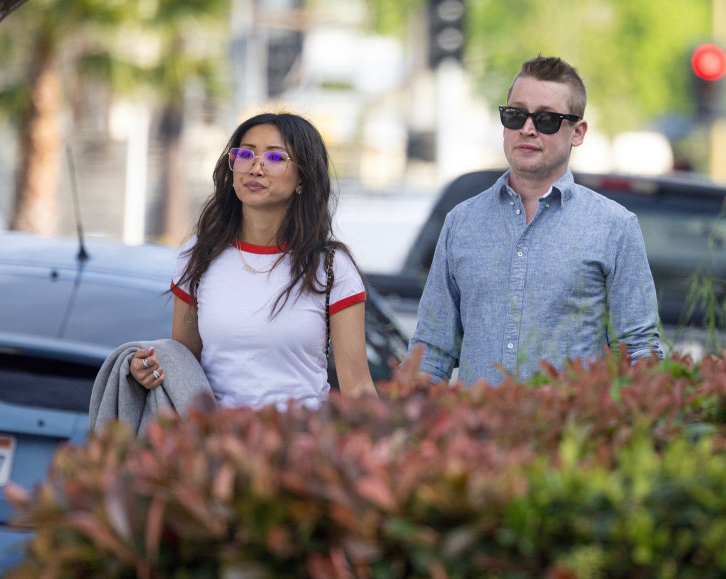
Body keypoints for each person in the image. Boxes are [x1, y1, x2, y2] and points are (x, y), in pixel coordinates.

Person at [409, 55, 663, 385]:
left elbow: (639, 352)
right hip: (476, 433)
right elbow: (432, 350)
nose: (527, 129)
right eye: (516, 115)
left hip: (570, 434)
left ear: (578, 132)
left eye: (546, 120)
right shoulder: (461, 222)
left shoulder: (615, 227)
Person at [129, 112, 377, 408]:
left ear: (303, 177)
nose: (256, 168)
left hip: (302, 445)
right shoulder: (199, 256)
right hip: (218, 445)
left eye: (275, 158)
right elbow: (182, 366)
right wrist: (149, 371)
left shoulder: (332, 267)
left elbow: (358, 386)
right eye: (245, 154)